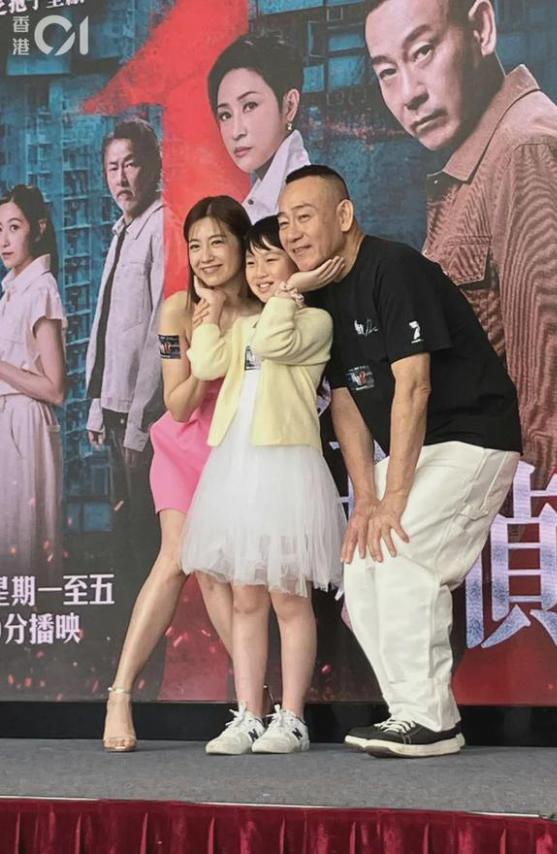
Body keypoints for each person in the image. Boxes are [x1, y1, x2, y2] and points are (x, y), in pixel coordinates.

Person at [278, 164, 522, 758]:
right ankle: (409, 713)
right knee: (362, 566)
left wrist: (393, 500)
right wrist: (365, 500)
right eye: (283, 222)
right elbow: (346, 401)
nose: (292, 233)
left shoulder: (395, 268)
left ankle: (431, 719)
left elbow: (414, 386)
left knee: (403, 551)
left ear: (344, 215)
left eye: (304, 216)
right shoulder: (322, 294)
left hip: (472, 437)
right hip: (421, 449)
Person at [363, 0, 557, 488]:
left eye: (422, 52)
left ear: (482, 28)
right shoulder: (484, 158)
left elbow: (555, 417)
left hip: (517, 517)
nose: (409, 94)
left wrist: (518, 530)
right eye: (387, 72)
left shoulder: (528, 154)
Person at [182, 215, 345, 755]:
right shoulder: (245, 324)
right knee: (245, 599)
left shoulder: (314, 321)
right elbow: (206, 362)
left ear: (296, 264)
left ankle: (292, 718)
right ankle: (248, 714)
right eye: (251, 261)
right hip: (238, 468)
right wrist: (210, 314)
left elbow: (277, 342)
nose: (257, 271)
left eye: (270, 259)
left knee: (288, 599)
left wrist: (291, 292)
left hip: (286, 469)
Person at [102, 196, 259, 752]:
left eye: (218, 241)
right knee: (174, 559)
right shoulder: (176, 310)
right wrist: (205, 333)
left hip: (239, 449)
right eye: (195, 245)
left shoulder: (265, 307)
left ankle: (253, 704)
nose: (206, 256)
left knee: (217, 573)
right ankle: (120, 695)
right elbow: (178, 404)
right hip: (183, 446)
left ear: (242, 244)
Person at [86, 117, 166, 599]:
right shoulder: (122, 230)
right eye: (112, 167)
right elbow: (107, 327)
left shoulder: (160, 227)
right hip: (115, 411)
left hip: (143, 418)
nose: (120, 178)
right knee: (124, 543)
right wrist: (98, 405)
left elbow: (161, 332)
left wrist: (139, 424)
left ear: (153, 165)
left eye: (130, 164)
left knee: (145, 544)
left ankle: (153, 641)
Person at [0, 184, 66, 580]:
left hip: (26, 424)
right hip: (8, 421)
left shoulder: (41, 289)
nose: (4, 241)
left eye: (14, 227)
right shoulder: (12, 290)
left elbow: (55, 388)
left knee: (25, 540)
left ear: (37, 229)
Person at [208, 32, 310, 223]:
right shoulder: (262, 198)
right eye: (225, 115)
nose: (236, 132)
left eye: (250, 106)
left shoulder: (303, 202)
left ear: (289, 106)